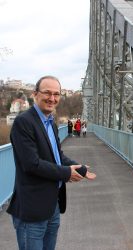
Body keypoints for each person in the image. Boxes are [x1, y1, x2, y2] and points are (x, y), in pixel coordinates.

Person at [7, 75, 96, 250]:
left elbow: (58, 157)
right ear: (35, 94)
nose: (52, 98)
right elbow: (31, 164)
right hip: (32, 209)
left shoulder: (50, 123)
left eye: (56, 94)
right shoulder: (24, 122)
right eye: (47, 93)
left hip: (52, 205)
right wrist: (66, 173)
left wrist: (80, 168)